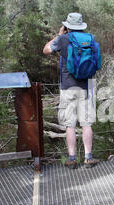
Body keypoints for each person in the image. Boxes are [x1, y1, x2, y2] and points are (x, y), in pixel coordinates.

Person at [43, 13, 100, 169]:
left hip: (68, 87)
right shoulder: (89, 39)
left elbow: (46, 50)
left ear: (67, 26)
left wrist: (59, 35)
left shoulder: (63, 39)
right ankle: (88, 157)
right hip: (86, 86)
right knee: (87, 124)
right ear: (81, 26)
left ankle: (72, 158)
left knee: (70, 125)